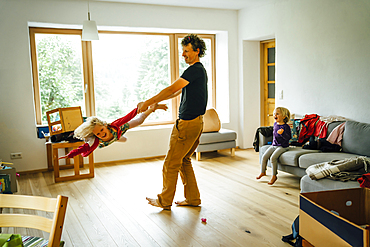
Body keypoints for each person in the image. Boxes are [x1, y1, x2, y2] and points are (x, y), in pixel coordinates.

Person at [137, 34, 208, 210]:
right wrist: (156, 103)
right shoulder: (199, 71)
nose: (183, 54)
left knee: (170, 164)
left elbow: (170, 88)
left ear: (196, 51)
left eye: (186, 51)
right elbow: (175, 92)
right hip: (196, 122)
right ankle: (193, 198)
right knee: (184, 161)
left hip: (187, 124)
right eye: (182, 51)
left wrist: (146, 102)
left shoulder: (194, 69)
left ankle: (164, 201)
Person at [59, 103, 167, 159]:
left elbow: (127, 117)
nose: (101, 134)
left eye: (101, 130)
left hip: (118, 132)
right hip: (112, 139)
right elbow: (83, 148)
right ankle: (115, 138)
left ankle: (153, 108)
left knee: (139, 121)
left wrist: (138, 109)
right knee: (124, 140)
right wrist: (70, 154)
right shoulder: (96, 140)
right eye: (98, 133)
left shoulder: (114, 126)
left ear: (105, 125)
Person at [256, 107, 291, 185]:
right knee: (264, 156)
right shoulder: (275, 124)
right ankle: (263, 172)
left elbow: (288, 138)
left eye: (277, 114)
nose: (275, 115)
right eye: (274, 113)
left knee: (273, 158)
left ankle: (274, 175)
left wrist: (282, 134)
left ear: (284, 116)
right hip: (274, 145)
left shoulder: (286, 127)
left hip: (283, 146)